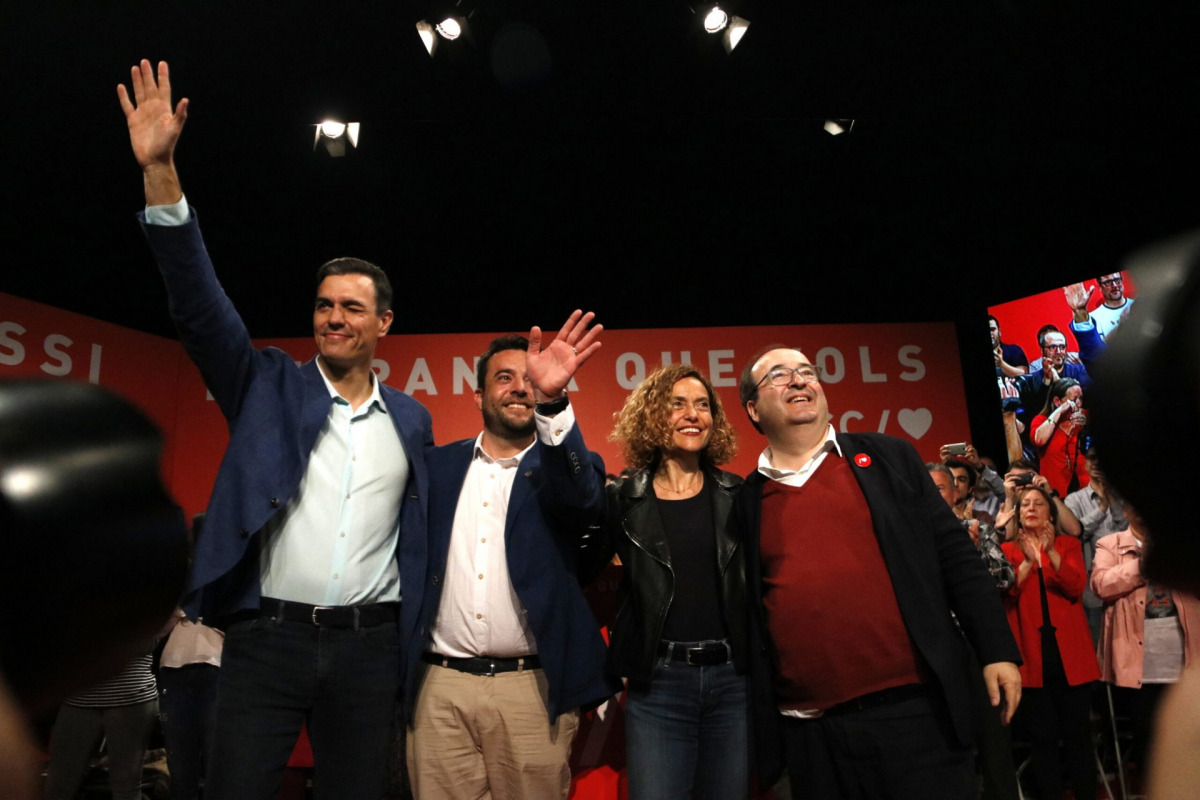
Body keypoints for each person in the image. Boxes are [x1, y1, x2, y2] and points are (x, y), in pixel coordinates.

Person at [118, 60, 433, 799]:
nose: (333, 318)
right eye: (324, 305)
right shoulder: (266, 384)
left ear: (384, 323)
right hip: (268, 641)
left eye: (352, 307)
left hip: (369, 649)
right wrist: (161, 172)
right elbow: (200, 307)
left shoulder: (413, 420)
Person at [734, 346, 1021, 799]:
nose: (798, 380)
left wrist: (995, 650)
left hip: (915, 714)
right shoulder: (745, 501)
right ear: (753, 409)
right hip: (810, 733)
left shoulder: (889, 458)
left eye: (806, 371)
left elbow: (955, 557)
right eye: (779, 375)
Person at [405, 320, 618, 799]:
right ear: (478, 397)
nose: (520, 387)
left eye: (529, 379)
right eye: (505, 378)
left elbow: (584, 500)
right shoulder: (436, 468)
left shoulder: (564, 468)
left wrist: (553, 402)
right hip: (439, 688)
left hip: (530, 690)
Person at [600, 364, 748, 800]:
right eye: (677, 404)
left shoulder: (739, 495)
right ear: (652, 415)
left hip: (733, 682)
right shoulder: (623, 500)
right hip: (659, 685)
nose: (693, 415)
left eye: (703, 405)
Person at [1001, 485, 1100, 800]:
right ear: (1018, 514)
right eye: (1025, 504)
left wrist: (1050, 554)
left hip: (1070, 657)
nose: (1031, 508)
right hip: (1032, 658)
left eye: (1038, 504)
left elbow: (1075, 586)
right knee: (1042, 740)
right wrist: (1028, 562)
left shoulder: (1067, 544)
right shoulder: (1007, 551)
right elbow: (1007, 593)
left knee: (1078, 737)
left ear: (1050, 514)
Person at [927, 462, 1018, 800]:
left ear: (955, 493)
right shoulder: (910, 539)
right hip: (936, 651)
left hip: (976, 648)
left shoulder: (977, 528)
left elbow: (1006, 577)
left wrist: (971, 556)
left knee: (994, 741)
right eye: (928, 488)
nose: (934, 494)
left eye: (940, 488)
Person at [1090, 504, 1200, 775]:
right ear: (1125, 511)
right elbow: (1101, 585)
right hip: (1139, 660)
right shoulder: (1110, 544)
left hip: (1185, 656)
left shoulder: (1177, 546)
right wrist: (1142, 565)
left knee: (1188, 734)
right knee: (1147, 735)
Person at [44, 650, 159, 800]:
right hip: (78, 695)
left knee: (125, 786)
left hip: (130, 695)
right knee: (57, 786)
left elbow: (149, 642)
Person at [1064, 449, 1127, 643]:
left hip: (1126, 581)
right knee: (1097, 644)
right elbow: (1075, 533)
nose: (1097, 463)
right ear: (1085, 464)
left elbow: (1129, 531)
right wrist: (1101, 508)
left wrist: (1111, 499)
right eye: (1092, 458)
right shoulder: (1074, 500)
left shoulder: (1125, 497)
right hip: (1093, 589)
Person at [1030, 377, 1089, 498]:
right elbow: (1039, 440)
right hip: (1053, 495)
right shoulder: (1041, 420)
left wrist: (1088, 424)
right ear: (1057, 401)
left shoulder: (1084, 417)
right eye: (1074, 399)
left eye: (1081, 398)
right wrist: (1060, 411)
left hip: (1085, 495)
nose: (1078, 403)